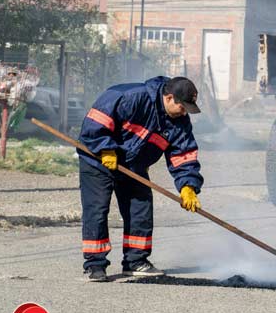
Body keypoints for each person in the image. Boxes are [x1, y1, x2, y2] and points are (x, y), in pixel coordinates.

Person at [79, 76, 205, 282]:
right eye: (182, 107)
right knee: (97, 210)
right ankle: (95, 264)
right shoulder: (130, 97)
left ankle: (136, 261)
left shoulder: (180, 122)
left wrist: (188, 186)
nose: (185, 113)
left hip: (134, 166)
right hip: (97, 161)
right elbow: (95, 122)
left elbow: (183, 154)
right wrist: (105, 148)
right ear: (170, 97)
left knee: (140, 209)